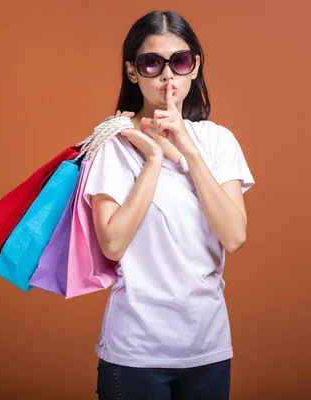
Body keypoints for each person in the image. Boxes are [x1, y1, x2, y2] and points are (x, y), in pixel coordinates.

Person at [82, 9, 255, 400]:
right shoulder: (114, 146)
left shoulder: (217, 142)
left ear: (194, 68)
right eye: (151, 63)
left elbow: (234, 235)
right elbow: (112, 244)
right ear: (132, 71)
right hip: (135, 350)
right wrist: (154, 161)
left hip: (207, 346)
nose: (166, 76)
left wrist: (188, 151)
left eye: (178, 62)